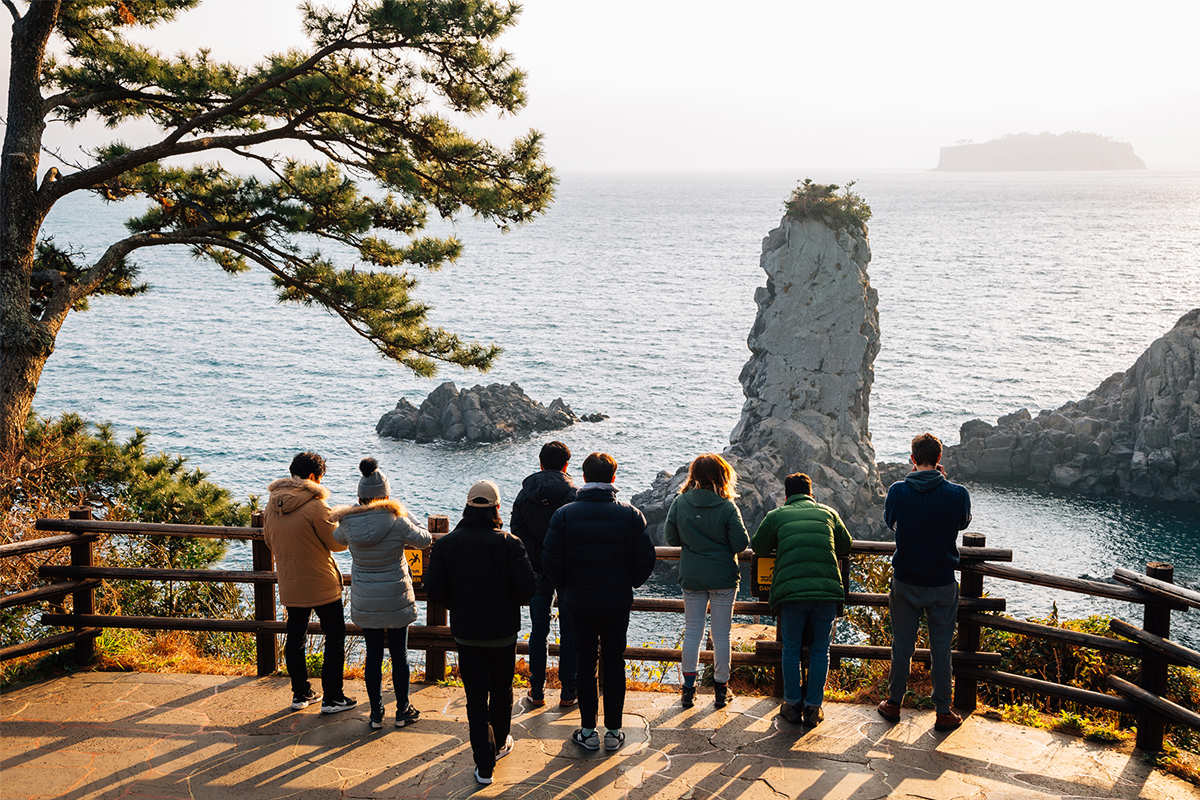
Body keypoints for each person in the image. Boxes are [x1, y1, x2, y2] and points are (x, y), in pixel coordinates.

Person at [542, 452, 656, 752]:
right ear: (613, 478)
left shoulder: (564, 515)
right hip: (617, 599)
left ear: (584, 476)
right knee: (615, 661)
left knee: (585, 660)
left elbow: (550, 560)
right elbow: (646, 559)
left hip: (578, 599)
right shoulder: (630, 514)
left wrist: (565, 587)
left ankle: (589, 730)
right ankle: (615, 731)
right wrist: (629, 582)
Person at [425, 480, 536, 786]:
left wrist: (457, 604)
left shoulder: (447, 544)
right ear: (497, 508)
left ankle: (483, 764)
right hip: (502, 632)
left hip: (466, 631)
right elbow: (527, 588)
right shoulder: (510, 542)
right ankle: (499, 743)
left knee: (475, 696)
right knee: (501, 690)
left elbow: (434, 589)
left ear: (467, 505)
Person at [877, 432, 972, 732]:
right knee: (941, 648)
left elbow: (890, 521)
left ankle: (893, 703)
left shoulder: (898, 491)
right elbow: (963, 522)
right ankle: (943, 710)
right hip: (942, 581)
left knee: (902, 644)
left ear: (913, 458)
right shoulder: (958, 493)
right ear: (940, 459)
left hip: (906, 579)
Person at [331, 458, 431, 729]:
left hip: (366, 598)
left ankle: (376, 714)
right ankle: (402, 711)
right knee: (399, 655)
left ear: (360, 497)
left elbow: (337, 540)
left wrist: (355, 513)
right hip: (396, 596)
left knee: (373, 655)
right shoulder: (397, 521)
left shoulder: (348, 524)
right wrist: (404, 512)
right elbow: (426, 539)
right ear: (386, 496)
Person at [751, 472, 851, 727]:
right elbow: (845, 545)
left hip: (791, 593)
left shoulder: (777, 516)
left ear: (786, 495)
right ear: (811, 493)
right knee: (820, 650)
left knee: (791, 649)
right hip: (826, 591)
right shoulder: (828, 513)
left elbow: (759, 547)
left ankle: (792, 704)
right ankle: (813, 708)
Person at [263, 451, 356, 714]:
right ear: (314, 477)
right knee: (335, 636)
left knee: (295, 637)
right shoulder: (316, 505)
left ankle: (300, 693)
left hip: (290, 581)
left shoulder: (272, 505)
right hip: (321, 582)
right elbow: (337, 544)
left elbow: (269, 541)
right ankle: (332, 697)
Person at [664, 453, 750, 709]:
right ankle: (721, 690)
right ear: (721, 476)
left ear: (694, 476)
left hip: (692, 574)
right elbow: (740, 543)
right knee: (721, 635)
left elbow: (670, 538)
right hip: (723, 576)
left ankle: (688, 689)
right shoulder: (726, 506)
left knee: (693, 632)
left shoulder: (680, 502)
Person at [510, 441, 579, 708]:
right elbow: (575, 531)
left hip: (536, 570)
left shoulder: (524, 494)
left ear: (540, 463)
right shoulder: (574, 494)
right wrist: (555, 555)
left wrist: (539, 555)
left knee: (539, 631)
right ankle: (568, 692)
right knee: (569, 631)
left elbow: (517, 530)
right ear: (565, 465)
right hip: (566, 570)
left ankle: (536, 692)